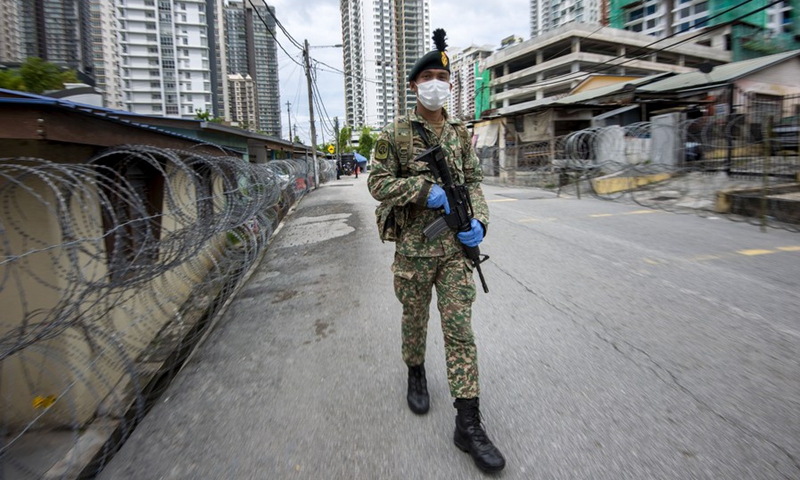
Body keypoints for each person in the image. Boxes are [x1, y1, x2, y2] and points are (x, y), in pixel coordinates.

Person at [367, 29, 505, 473]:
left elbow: (475, 183)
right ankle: (415, 370)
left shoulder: (461, 135)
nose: (435, 83)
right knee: (414, 317)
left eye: (442, 76)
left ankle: (469, 423)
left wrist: (479, 222)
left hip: (454, 253)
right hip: (413, 248)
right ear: (413, 85)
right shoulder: (394, 134)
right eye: (427, 76)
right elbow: (376, 182)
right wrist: (423, 191)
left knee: (460, 330)